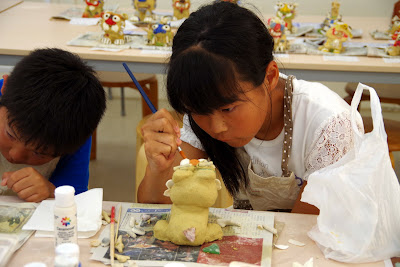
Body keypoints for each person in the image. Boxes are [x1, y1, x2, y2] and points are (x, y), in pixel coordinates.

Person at [138, 2, 360, 213]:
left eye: (228, 109)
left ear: (270, 77)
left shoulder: (328, 125)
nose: (216, 128)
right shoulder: (205, 105)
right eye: (200, 111)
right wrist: (159, 171)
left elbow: (306, 230)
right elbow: (158, 208)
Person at [0, 48, 106, 202]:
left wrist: (52, 191)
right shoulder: (11, 97)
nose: (15, 155)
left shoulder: (72, 128)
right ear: (4, 89)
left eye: (39, 153)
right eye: (10, 134)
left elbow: (76, 198)